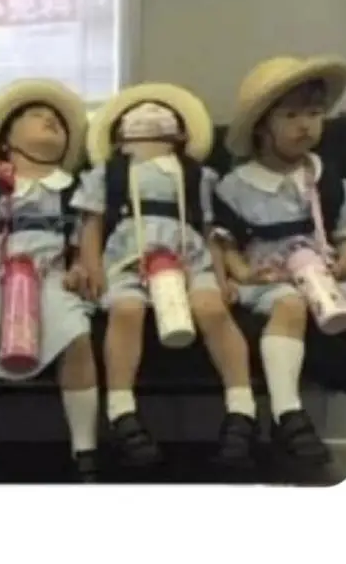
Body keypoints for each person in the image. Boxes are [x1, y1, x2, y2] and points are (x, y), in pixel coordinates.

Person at [74, 84, 257, 471]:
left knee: (211, 308)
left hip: (189, 256)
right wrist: (93, 267)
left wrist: (220, 274)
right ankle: (121, 409)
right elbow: (91, 225)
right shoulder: (107, 174)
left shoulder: (196, 176)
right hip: (127, 259)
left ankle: (242, 407)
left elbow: (208, 228)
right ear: (120, 139)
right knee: (126, 310)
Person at [0, 79, 101, 482]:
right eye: (35, 115)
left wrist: (79, 267)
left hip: (50, 272)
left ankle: (85, 448)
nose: (50, 120)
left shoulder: (74, 189)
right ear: (6, 139)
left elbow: (81, 243)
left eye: (57, 121)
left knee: (74, 334)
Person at [212, 55, 346, 466]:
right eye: (290, 115)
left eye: (314, 113)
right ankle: (287, 412)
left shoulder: (328, 177)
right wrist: (244, 272)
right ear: (262, 126)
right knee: (289, 304)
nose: (305, 125)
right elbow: (225, 243)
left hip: (324, 269)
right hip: (270, 276)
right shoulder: (237, 185)